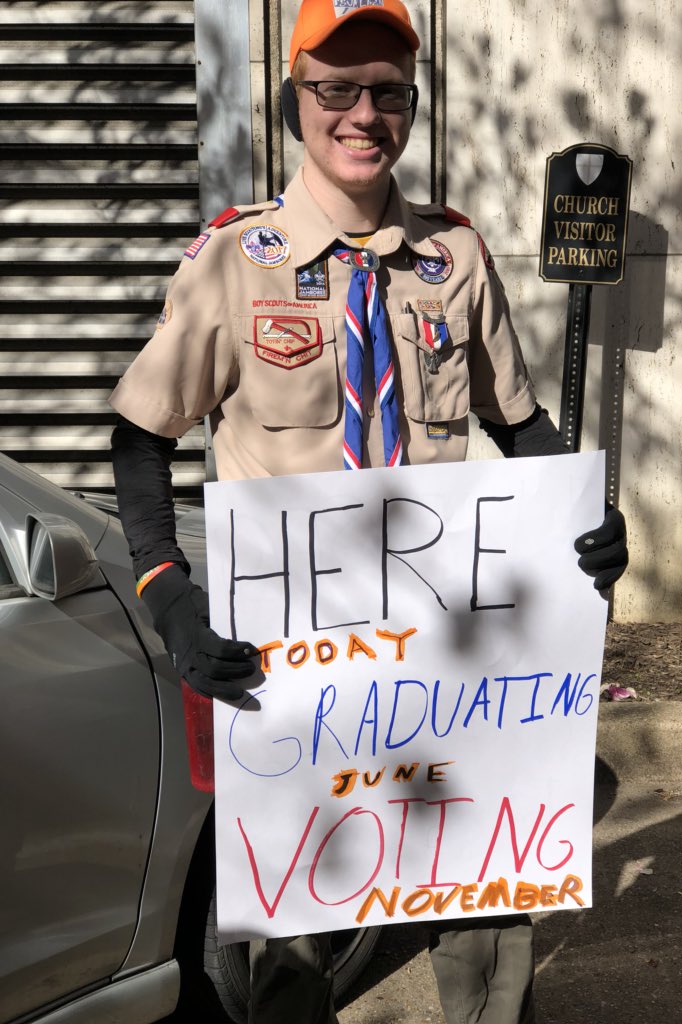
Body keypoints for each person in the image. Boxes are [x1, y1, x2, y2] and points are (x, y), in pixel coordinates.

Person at [109, 1, 628, 1021]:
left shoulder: (456, 258)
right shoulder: (235, 259)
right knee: (293, 956)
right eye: (334, 88)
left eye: (387, 91)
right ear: (295, 101)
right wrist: (165, 588)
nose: (362, 115)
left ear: (412, 107)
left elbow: (516, 424)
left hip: (455, 676)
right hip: (302, 686)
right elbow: (142, 431)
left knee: (488, 924)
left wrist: (585, 517)